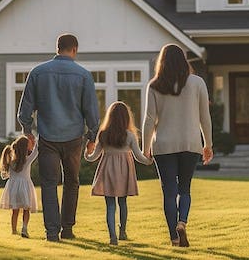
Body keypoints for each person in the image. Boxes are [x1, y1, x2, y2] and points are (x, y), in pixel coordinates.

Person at [17, 33, 99, 242]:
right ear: (74, 50)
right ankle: (67, 229)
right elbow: (91, 111)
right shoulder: (83, 75)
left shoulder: (37, 73)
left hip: (48, 137)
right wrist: (92, 136)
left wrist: (28, 132)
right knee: (72, 182)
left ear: (57, 48)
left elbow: (24, 110)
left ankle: (52, 233)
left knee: (49, 183)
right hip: (73, 139)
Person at [141, 43, 213, 247]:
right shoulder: (197, 83)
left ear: (161, 62)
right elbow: (204, 117)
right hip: (190, 143)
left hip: (163, 145)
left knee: (169, 191)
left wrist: (145, 148)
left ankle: (173, 237)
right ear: (184, 60)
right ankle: (182, 223)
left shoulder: (154, 85)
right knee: (185, 189)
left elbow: (149, 120)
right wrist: (208, 144)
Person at [85, 101, 153, 246]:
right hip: (124, 172)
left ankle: (113, 237)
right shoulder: (129, 135)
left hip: (107, 171)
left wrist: (87, 152)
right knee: (122, 202)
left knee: (110, 205)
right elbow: (138, 156)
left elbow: (93, 157)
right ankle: (122, 231)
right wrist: (149, 161)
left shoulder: (103, 134)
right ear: (126, 117)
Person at [0, 135, 39, 238]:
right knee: (26, 209)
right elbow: (36, 151)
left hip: (13, 189)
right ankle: (24, 229)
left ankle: (13, 230)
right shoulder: (27, 160)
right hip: (25, 188)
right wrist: (38, 138)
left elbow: (5, 175)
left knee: (15, 211)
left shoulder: (11, 162)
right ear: (25, 148)